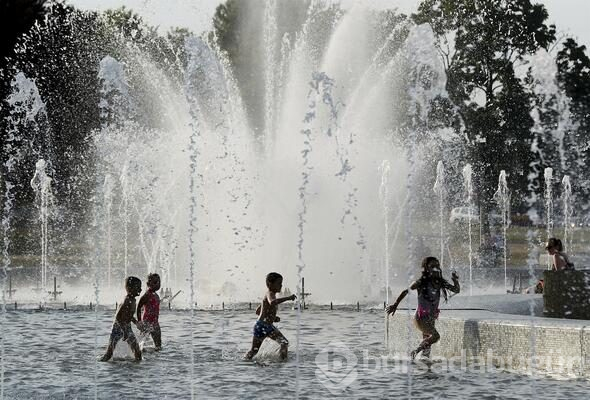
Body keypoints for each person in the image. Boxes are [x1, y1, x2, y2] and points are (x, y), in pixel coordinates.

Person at [386, 257, 460, 360]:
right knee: (436, 336)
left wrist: (455, 280)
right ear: (426, 268)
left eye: (437, 265)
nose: (436, 268)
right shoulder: (421, 282)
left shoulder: (440, 282)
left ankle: (422, 366)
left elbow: (456, 290)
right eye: (432, 266)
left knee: (427, 352)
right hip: (421, 318)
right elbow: (405, 291)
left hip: (431, 318)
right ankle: (415, 351)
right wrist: (395, 305)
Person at [244, 272, 296, 360]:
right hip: (262, 327)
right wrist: (288, 298)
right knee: (254, 351)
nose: (281, 286)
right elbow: (272, 302)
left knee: (284, 343)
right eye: (279, 283)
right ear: (270, 284)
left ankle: (282, 361)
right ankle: (244, 361)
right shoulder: (270, 293)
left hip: (267, 326)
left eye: (281, 283)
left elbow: (258, 311)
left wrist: (273, 317)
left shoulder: (270, 295)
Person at [100, 276, 142, 362]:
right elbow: (118, 317)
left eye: (140, 287)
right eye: (137, 287)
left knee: (137, 350)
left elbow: (129, 315)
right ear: (129, 288)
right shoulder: (126, 301)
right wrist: (124, 331)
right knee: (109, 354)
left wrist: (136, 322)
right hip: (118, 328)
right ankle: (100, 363)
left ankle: (138, 366)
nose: (140, 289)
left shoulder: (133, 300)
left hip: (127, 327)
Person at [137, 273, 162, 351]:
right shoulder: (146, 295)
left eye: (159, 282)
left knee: (158, 345)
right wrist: (139, 321)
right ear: (148, 284)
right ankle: (139, 352)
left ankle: (156, 356)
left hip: (155, 323)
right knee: (142, 343)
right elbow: (138, 307)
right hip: (146, 323)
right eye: (155, 282)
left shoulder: (156, 295)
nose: (157, 284)